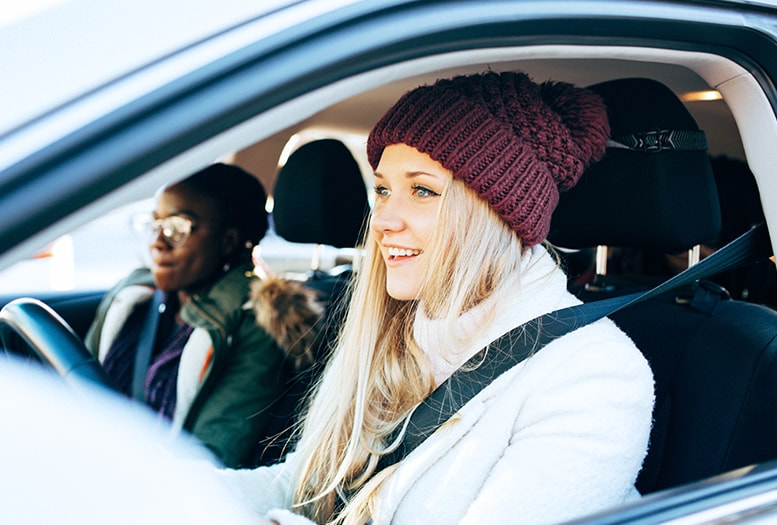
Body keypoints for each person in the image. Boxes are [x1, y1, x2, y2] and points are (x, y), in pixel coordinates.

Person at [217, 72, 655, 524]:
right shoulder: (393, 332)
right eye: (383, 189)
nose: (384, 219)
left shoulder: (595, 374)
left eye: (422, 191)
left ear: (496, 213)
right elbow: (301, 485)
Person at [85, 163, 322, 468]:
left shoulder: (254, 322)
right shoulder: (132, 296)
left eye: (177, 228)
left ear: (228, 240)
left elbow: (213, 455)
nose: (157, 243)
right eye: (155, 225)